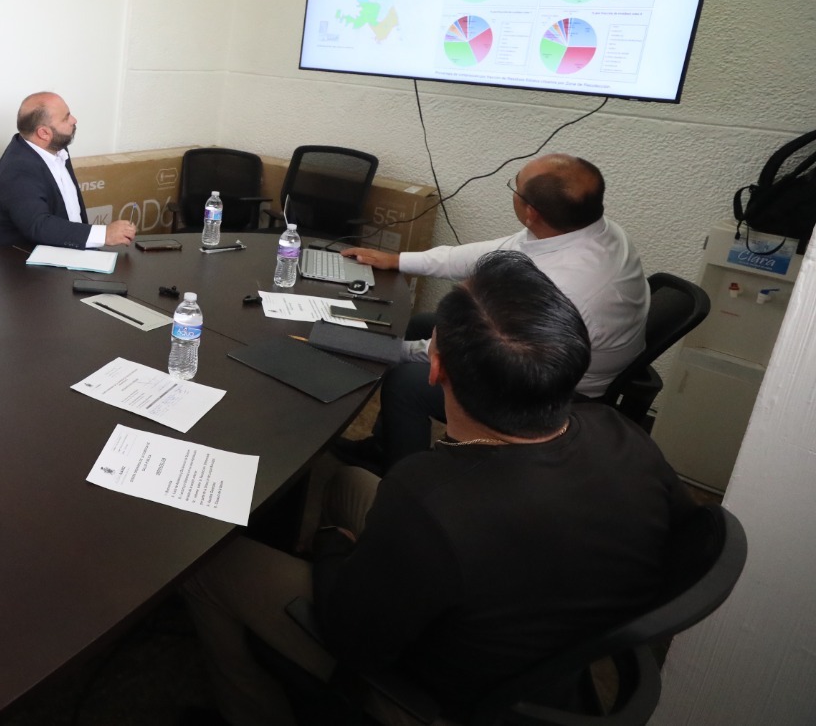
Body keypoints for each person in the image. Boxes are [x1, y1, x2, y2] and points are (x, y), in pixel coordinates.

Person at [182, 251, 697, 726]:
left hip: (438, 695)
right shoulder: (621, 433)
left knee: (210, 567)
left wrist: (333, 546)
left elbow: (353, 642)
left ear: (436, 367)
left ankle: (251, 712)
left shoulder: (428, 493)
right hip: (548, 638)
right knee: (346, 480)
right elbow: (677, 537)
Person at [340, 153, 648, 467]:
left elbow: (487, 353)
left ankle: (401, 472)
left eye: (515, 185)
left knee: (405, 383)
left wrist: (381, 349)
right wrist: (398, 260)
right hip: (561, 355)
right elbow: (486, 255)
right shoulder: (587, 229)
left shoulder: (560, 286)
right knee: (421, 323)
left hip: (554, 392)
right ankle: (385, 443)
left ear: (530, 212)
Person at [0, 92, 136, 249]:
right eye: (66, 118)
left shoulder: (56, 149)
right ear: (44, 133)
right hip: (19, 259)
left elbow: (71, 214)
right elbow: (39, 225)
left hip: (64, 251)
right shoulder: (17, 169)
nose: (74, 120)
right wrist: (104, 234)